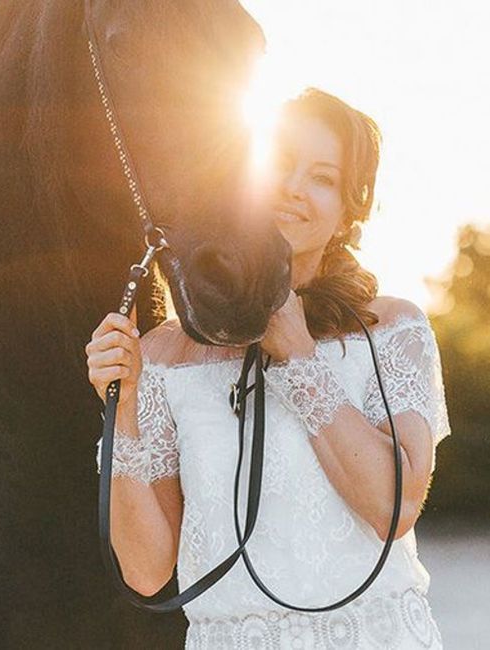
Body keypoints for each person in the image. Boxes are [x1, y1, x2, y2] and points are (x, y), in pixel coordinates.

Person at [86, 87, 449, 648]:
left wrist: (298, 353)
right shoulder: (164, 354)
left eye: (322, 178)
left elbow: (393, 508)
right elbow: (147, 571)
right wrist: (124, 409)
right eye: (279, 164)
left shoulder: (391, 331)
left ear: (350, 211)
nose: (293, 189)